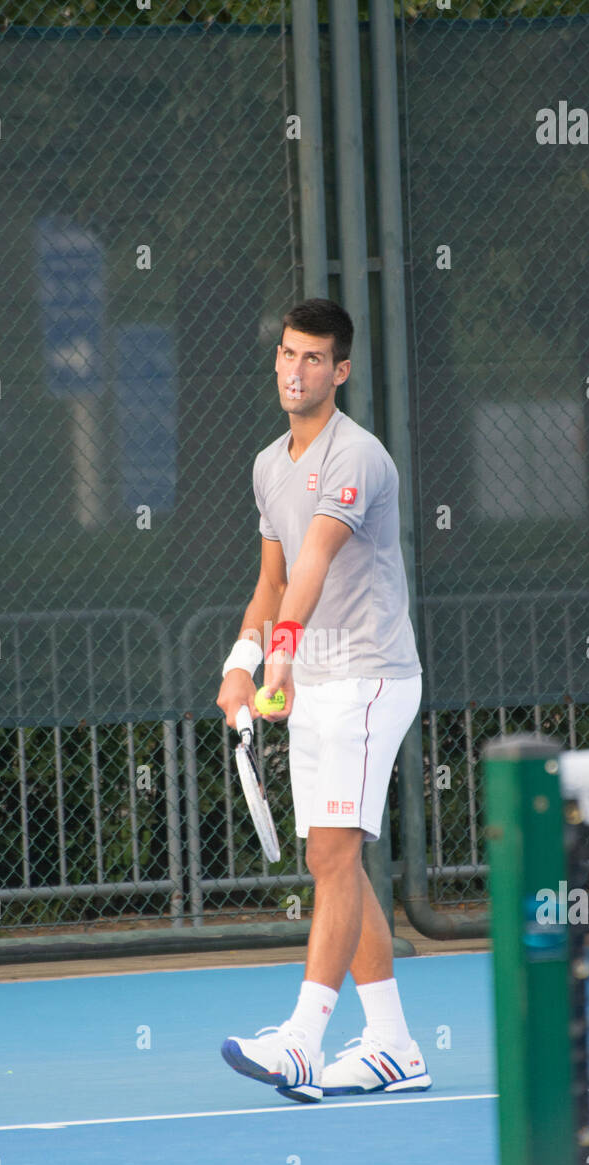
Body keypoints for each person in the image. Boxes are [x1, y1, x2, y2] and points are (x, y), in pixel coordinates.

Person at [215, 298, 429, 1103]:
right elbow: (271, 581)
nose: (294, 370)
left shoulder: (358, 457)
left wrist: (280, 658)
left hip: (370, 677)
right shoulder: (271, 465)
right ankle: (395, 1046)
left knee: (332, 856)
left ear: (339, 371)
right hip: (311, 681)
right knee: (334, 860)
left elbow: (314, 568)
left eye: (313, 359)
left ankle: (302, 1040)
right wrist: (244, 661)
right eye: (286, 354)